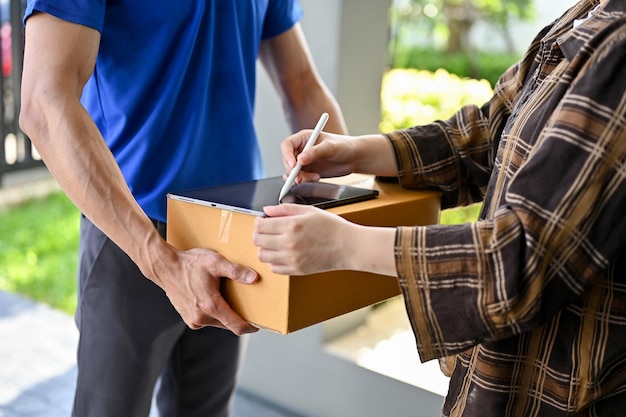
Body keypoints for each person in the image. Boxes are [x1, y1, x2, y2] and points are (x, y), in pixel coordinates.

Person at [253, 0, 626, 415]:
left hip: (561, 387)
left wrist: (343, 245)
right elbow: (489, 133)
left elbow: (521, 258)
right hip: (501, 374)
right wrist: (355, 152)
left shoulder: (617, 51)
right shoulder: (587, 12)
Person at [19, 1, 347, 416]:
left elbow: (302, 84)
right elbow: (44, 103)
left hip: (231, 235)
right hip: (132, 233)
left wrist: (353, 207)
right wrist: (163, 263)